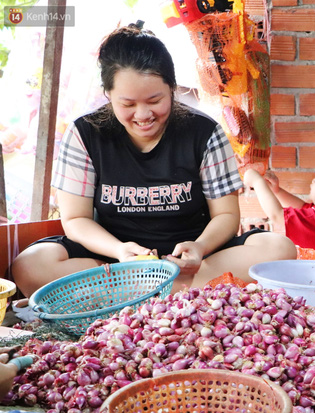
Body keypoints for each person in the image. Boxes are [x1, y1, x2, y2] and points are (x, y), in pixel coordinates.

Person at [11, 23, 297, 297]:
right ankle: (173, 294)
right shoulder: (85, 134)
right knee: (30, 264)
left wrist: (199, 248)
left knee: (278, 249)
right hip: (114, 262)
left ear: (172, 87)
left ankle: (135, 295)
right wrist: (120, 251)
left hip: (191, 264)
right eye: (128, 104)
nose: (143, 114)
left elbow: (226, 215)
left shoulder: (204, 132)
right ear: (108, 94)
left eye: (154, 100)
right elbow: (75, 219)